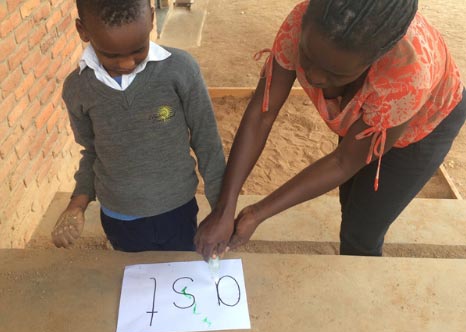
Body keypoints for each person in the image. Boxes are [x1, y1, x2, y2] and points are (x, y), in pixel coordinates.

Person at [195, 0, 465, 259]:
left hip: (424, 125)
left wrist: (257, 213)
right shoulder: (302, 24)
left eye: (336, 74)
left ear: (374, 61)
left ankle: (357, 288)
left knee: (361, 230)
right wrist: (225, 207)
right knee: (349, 202)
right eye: (308, 58)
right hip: (369, 114)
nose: (315, 77)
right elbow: (262, 113)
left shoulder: (406, 75)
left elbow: (343, 161)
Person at [51, 0, 225, 252]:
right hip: (119, 219)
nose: (127, 64)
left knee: (178, 277)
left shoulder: (180, 70)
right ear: (82, 30)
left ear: (152, 19)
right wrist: (77, 204)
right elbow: (91, 152)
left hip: (177, 211)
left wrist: (221, 210)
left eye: (138, 50)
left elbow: (207, 142)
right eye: (110, 54)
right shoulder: (78, 89)